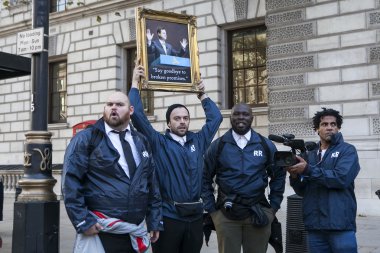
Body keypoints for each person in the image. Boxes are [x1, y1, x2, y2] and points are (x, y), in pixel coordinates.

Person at [129, 63, 223, 253]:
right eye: (177, 118)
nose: (182, 121)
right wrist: (134, 84)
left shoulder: (199, 140)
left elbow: (216, 118)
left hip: (195, 216)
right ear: (169, 123)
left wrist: (202, 94)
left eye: (185, 118)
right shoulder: (158, 142)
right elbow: (137, 115)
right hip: (169, 217)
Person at [62, 91, 162, 253]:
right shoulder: (86, 138)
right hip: (100, 230)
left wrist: (155, 220)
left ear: (130, 110)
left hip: (134, 232)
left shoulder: (141, 140)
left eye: (119, 105)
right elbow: (71, 182)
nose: (113, 108)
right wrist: (81, 220)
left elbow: (151, 183)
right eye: (109, 104)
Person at [202, 103, 286, 253]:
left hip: (258, 213)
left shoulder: (265, 145)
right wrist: (212, 211)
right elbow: (204, 177)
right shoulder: (218, 146)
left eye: (245, 114)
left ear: (252, 117)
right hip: (226, 215)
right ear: (230, 117)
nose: (241, 117)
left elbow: (278, 175)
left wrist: (273, 208)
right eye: (237, 114)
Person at [287, 107, 360, 253]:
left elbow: (341, 179)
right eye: (324, 124)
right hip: (315, 228)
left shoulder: (348, 150)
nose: (329, 128)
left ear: (338, 128)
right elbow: (302, 190)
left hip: (340, 226)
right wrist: (294, 175)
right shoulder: (310, 155)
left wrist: (308, 170)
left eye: (333, 124)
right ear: (317, 129)